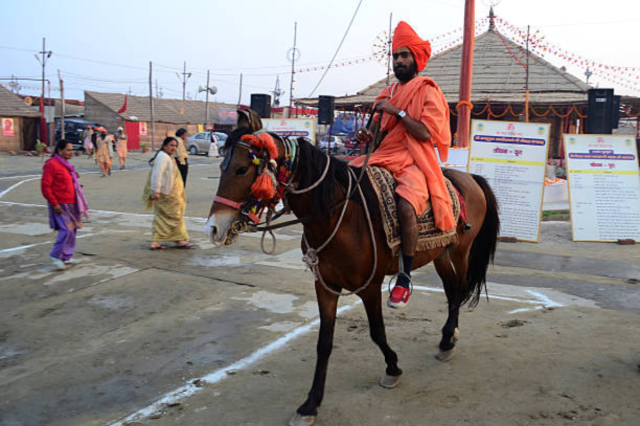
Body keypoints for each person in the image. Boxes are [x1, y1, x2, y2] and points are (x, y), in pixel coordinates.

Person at [350, 21, 455, 309]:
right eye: (396, 56)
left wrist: (397, 111)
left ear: (416, 59)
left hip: (414, 159)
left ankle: (405, 276)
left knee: (406, 205)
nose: (399, 61)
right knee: (346, 183)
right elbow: (375, 139)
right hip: (384, 155)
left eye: (404, 55)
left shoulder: (428, 91)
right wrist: (367, 135)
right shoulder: (384, 94)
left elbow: (425, 134)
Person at [41, 139, 89, 270]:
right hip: (60, 204)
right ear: (59, 150)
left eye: (72, 150)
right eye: (68, 150)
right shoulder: (51, 164)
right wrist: (54, 203)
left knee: (73, 230)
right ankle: (55, 255)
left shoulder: (66, 165)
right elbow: (45, 186)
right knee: (66, 229)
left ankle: (66, 256)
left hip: (72, 202)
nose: (71, 152)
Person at [142, 137, 193, 250]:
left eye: (175, 146)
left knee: (169, 217)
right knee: (172, 217)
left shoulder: (167, 157)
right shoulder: (162, 157)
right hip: (165, 194)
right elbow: (157, 174)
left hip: (172, 194)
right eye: (171, 145)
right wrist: (156, 190)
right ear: (164, 146)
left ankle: (170, 239)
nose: (173, 148)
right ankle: (174, 240)